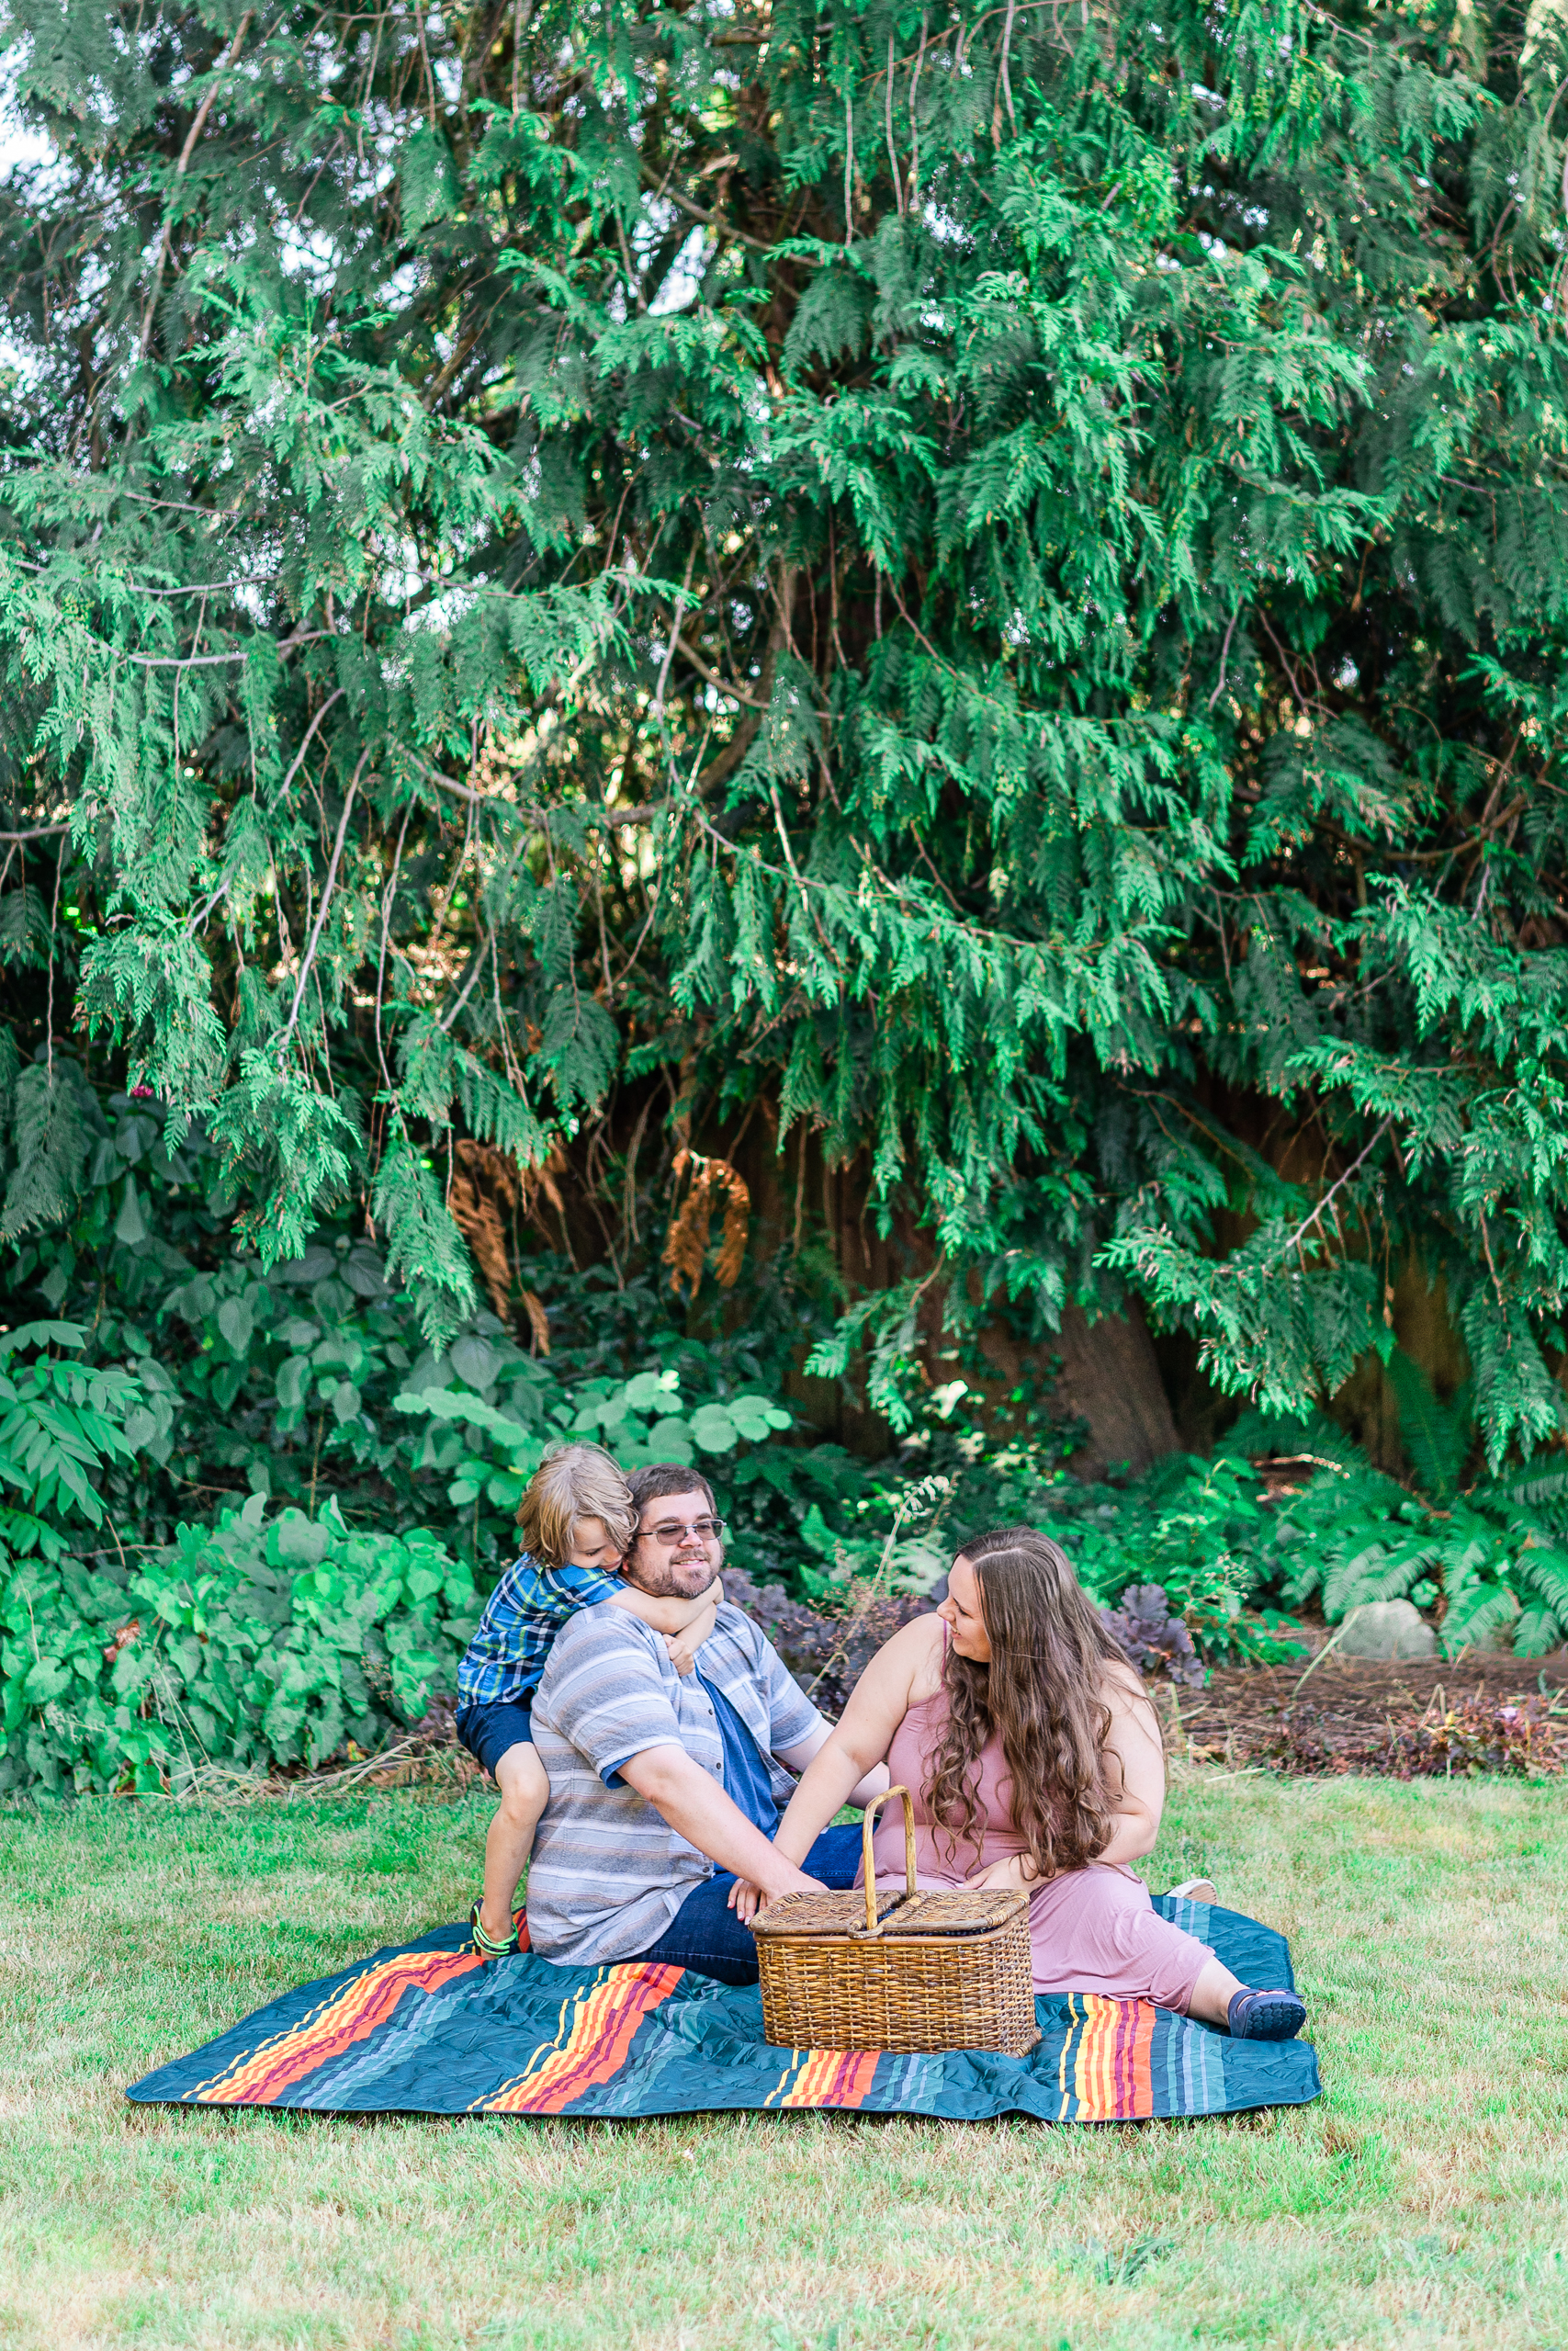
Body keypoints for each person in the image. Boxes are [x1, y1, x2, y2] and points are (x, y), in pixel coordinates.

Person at [742, 1527, 1307, 2040]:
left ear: (1015, 1628)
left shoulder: (1107, 1687)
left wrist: (1029, 1868)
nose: (943, 1613)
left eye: (962, 1609)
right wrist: (779, 1867)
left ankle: (1238, 2001)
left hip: (1055, 1878)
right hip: (922, 1883)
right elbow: (844, 1753)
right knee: (938, 1945)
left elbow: (1138, 1825)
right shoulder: (922, 1645)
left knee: (1114, 1912)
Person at [525, 1463, 888, 1982]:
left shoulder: (730, 1628)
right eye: (670, 1531)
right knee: (857, 1942)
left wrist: (938, 1808)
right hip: (644, 1908)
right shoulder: (600, 1638)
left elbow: (825, 1749)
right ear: (622, 1551)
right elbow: (667, 1782)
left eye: (705, 1526)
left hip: (760, 1857)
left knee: (937, 1850)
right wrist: (787, 1884)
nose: (693, 1541)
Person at [455, 1443, 721, 1957]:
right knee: (529, 1790)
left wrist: (697, 1630)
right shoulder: (563, 1572)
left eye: (612, 1545)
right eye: (590, 1554)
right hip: (496, 1702)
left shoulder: (593, 1560)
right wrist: (708, 1598)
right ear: (554, 1545)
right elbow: (671, 1614)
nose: (606, 1561)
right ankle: (492, 1922)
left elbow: (684, 1610)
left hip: (546, 1690)